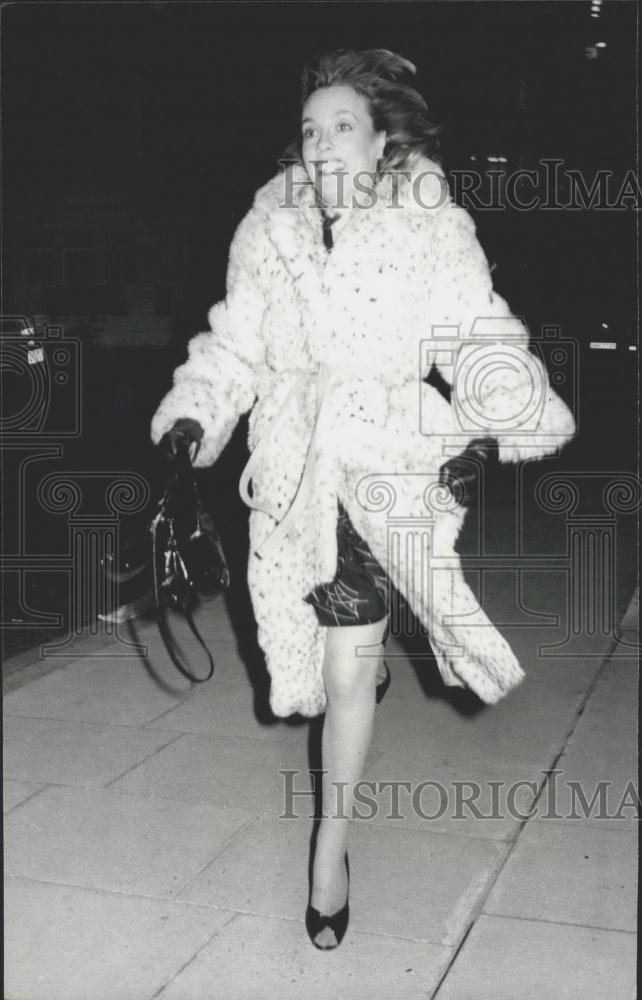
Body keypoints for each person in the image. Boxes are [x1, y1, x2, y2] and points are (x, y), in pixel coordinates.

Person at [150, 48, 575, 949]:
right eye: (310, 131)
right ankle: (344, 799)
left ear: (381, 141)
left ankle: (326, 853)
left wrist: (507, 414)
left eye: (343, 125)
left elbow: (476, 329)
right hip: (302, 472)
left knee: (349, 667)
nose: (323, 144)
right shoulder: (269, 231)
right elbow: (236, 343)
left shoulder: (430, 225)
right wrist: (194, 418)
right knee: (339, 667)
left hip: (390, 463)